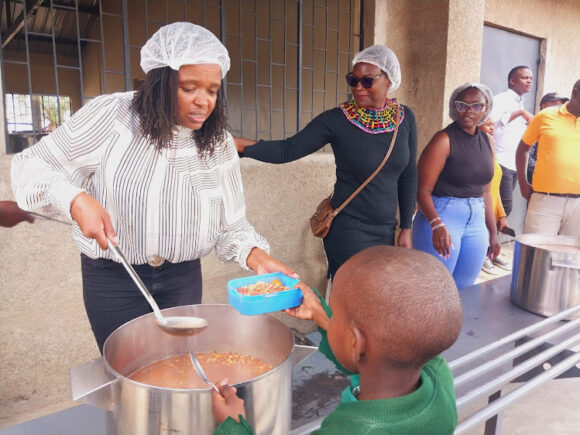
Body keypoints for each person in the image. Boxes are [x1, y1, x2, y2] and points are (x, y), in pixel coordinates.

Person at [11, 22, 296, 353]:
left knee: (178, 366)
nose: (203, 101)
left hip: (182, 280)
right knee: (128, 370)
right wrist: (74, 199)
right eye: (189, 88)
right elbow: (30, 167)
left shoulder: (217, 143)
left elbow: (231, 225)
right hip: (114, 279)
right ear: (161, 82)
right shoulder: (113, 116)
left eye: (212, 90)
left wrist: (256, 256)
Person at [211, 246, 463, 434]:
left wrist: (233, 425)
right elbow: (372, 355)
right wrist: (322, 315)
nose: (333, 318)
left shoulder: (353, 430)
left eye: (337, 312)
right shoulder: (438, 375)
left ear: (357, 344)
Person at [234, 45, 417, 279]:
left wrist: (406, 228)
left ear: (389, 81)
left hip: (386, 230)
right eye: (353, 80)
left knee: (376, 297)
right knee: (352, 298)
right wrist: (239, 145)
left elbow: (409, 174)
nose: (358, 87)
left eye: (367, 81)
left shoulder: (405, 118)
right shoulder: (337, 120)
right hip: (349, 230)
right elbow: (287, 149)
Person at [413, 83, 500, 289]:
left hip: (476, 218)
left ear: (486, 108)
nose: (469, 111)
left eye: (476, 106)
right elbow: (422, 190)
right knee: (435, 289)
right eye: (462, 105)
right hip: (443, 215)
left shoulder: (488, 140)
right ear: (454, 107)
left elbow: (486, 192)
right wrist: (436, 224)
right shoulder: (443, 140)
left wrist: (493, 233)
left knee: (465, 288)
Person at [515, 79, 580, 236]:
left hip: (578, 205)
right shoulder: (545, 116)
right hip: (545, 201)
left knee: (570, 258)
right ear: (575, 93)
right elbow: (522, 149)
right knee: (537, 255)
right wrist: (523, 184)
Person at [490, 66, 534, 218]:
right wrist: (521, 113)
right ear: (512, 81)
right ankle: (488, 240)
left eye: (531, 78)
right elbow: (491, 123)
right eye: (525, 78)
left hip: (513, 163)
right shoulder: (501, 99)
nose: (529, 81)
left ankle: (490, 240)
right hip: (501, 162)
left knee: (502, 210)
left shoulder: (520, 103)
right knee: (503, 207)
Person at [525, 92, 570, 184]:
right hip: (539, 178)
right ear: (543, 106)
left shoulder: (562, 126)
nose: (559, 108)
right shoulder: (535, 124)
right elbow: (528, 156)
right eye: (555, 105)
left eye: (561, 105)